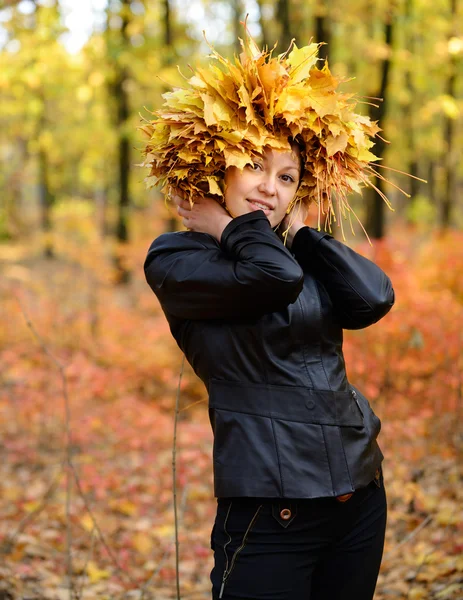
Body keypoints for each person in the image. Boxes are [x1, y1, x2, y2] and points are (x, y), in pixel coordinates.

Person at [142, 32, 395, 600]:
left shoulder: (294, 251)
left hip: (359, 495)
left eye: (287, 177)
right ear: (215, 170)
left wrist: (305, 231)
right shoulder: (178, 257)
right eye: (254, 165)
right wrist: (228, 228)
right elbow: (271, 281)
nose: (270, 188)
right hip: (268, 508)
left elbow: (373, 298)